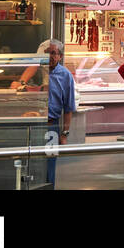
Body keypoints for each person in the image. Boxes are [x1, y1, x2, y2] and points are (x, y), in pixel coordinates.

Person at [46, 39, 77, 188]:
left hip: (51, 127)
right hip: (32, 125)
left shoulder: (65, 76)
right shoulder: (37, 69)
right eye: (47, 53)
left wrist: (64, 134)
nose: (49, 57)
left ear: (60, 56)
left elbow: (69, 108)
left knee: (49, 164)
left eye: (53, 53)